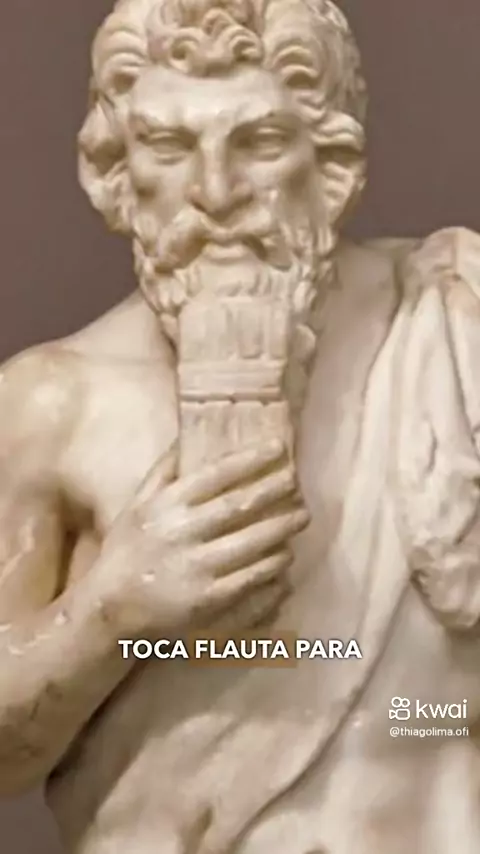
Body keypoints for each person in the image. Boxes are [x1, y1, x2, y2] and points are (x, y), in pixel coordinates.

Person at [0, 1, 479, 852]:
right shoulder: (52, 406)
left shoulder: (451, 331)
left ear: (329, 162)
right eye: (169, 145)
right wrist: (115, 610)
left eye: (258, 141)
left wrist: (431, 717)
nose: (215, 194)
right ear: (113, 169)